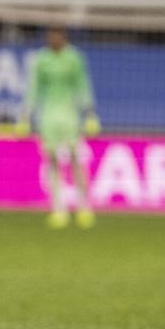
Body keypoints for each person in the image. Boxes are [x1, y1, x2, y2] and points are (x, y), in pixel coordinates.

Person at [17, 27, 100, 229]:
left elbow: (82, 85)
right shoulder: (42, 59)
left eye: (57, 36)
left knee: (74, 157)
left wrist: (90, 113)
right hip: (48, 114)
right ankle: (58, 208)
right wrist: (26, 116)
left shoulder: (74, 57)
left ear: (64, 37)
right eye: (50, 36)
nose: (53, 39)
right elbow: (34, 88)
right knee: (52, 159)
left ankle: (84, 206)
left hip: (70, 113)